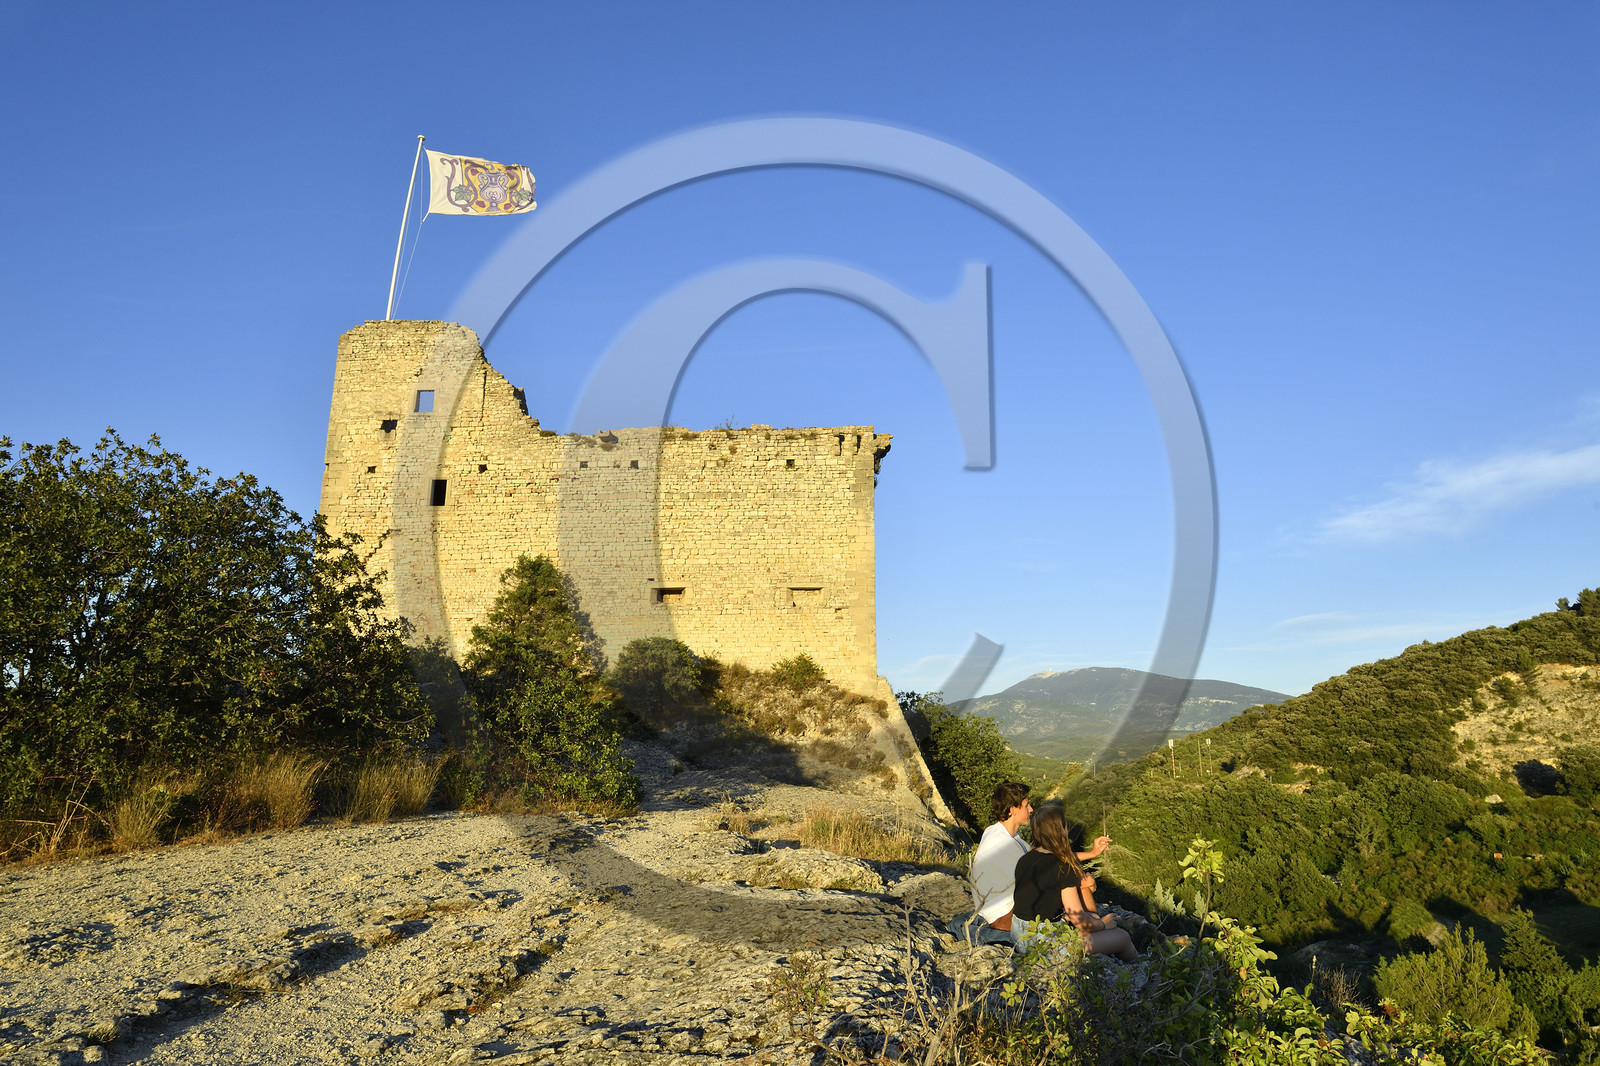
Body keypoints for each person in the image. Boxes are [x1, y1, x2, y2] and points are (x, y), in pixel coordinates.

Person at [955, 783, 1113, 947]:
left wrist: (1092, 853)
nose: (1030, 809)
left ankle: (1093, 925)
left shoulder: (1001, 833)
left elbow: (1049, 856)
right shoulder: (1002, 843)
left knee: (1079, 880)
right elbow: (1049, 866)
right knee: (1081, 882)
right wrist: (1081, 879)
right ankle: (1096, 928)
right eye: (1026, 805)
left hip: (1007, 908)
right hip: (1002, 917)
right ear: (1012, 810)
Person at [1013, 801, 1137, 962]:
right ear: (1061, 830)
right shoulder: (1062, 867)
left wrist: (1092, 853)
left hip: (1020, 937)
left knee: (1089, 916)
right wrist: (1104, 925)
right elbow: (1080, 921)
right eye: (1065, 826)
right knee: (1122, 937)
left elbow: (1057, 859)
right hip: (1045, 946)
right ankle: (1140, 970)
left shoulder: (1026, 859)